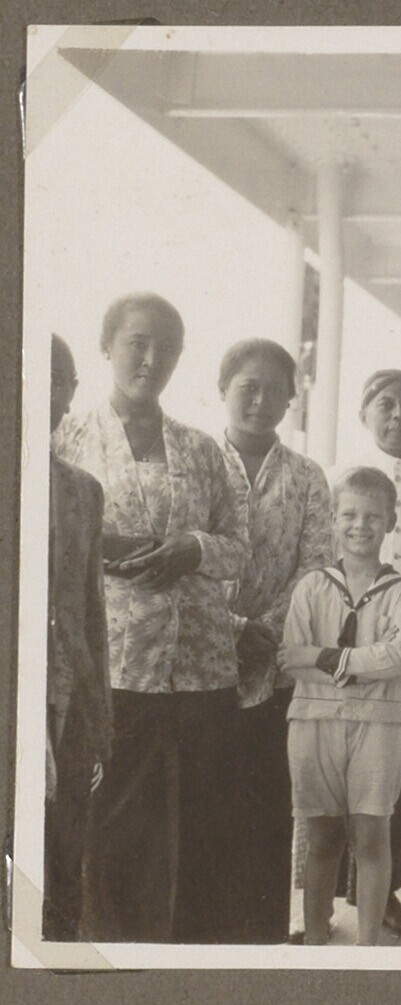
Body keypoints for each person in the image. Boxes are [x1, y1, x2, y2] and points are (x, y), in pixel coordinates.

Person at [56, 293, 248, 943]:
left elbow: (238, 546)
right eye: (137, 342)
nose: (150, 358)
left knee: (199, 824)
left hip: (199, 665)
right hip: (116, 665)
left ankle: (191, 957)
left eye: (165, 346)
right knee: (114, 821)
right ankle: (115, 952)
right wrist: (104, 547)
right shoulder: (68, 438)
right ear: (106, 346)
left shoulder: (201, 448)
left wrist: (194, 547)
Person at [218, 338, 334, 944]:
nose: (261, 401)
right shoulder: (198, 459)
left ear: (292, 398)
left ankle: (262, 935)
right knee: (205, 804)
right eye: (248, 387)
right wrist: (231, 628)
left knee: (267, 804)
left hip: (277, 663)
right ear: (224, 389)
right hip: (200, 660)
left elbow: (316, 566)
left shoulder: (308, 477)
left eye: (275, 391)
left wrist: (263, 630)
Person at [279, 467, 401, 946]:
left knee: (371, 835)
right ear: (334, 520)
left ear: (391, 521)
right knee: (322, 837)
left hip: (378, 725)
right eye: (350, 515)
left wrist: (321, 657)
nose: (361, 525)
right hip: (314, 723)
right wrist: (358, 663)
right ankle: (317, 942)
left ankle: (367, 949)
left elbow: (394, 657)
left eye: (373, 516)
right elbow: (290, 659)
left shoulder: (400, 591)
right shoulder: (312, 587)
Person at [339, 369, 401, 937]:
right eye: (386, 404)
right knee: (340, 772)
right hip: (349, 654)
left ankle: (388, 895)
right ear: (364, 412)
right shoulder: (339, 476)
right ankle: (327, 895)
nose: (398, 414)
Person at [44, 335, 113, 942]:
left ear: (70, 394)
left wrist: (97, 723)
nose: (41, 392)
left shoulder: (82, 491)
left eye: (56, 380)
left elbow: (92, 615)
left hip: (66, 704)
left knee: (64, 864)